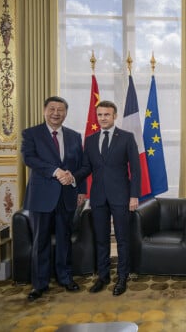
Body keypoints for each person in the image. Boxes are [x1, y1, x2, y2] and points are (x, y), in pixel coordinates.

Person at [21, 96, 86, 301]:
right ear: (44, 110)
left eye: (60, 110)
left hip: (67, 196)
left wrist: (79, 186)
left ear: (65, 113)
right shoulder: (31, 134)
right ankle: (39, 284)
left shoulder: (75, 136)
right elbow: (29, 158)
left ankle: (65, 278)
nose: (56, 113)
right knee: (40, 241)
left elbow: (82, 165)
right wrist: (56, 171)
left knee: (64, 239)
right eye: (52, 109)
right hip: (41, 196)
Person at [74, 100, 141, 296]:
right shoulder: (91, 139)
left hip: (122, 196)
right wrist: (76, 181)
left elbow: (135, 170)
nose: (103, 118)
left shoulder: (127, 138)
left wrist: (134, 195)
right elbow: (86, 168)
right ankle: (103, 276)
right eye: (100, 115)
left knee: (122, 239)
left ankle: (122, 277)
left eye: (107, 115)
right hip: (98, 197)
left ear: (114, 116)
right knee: (101, 239)